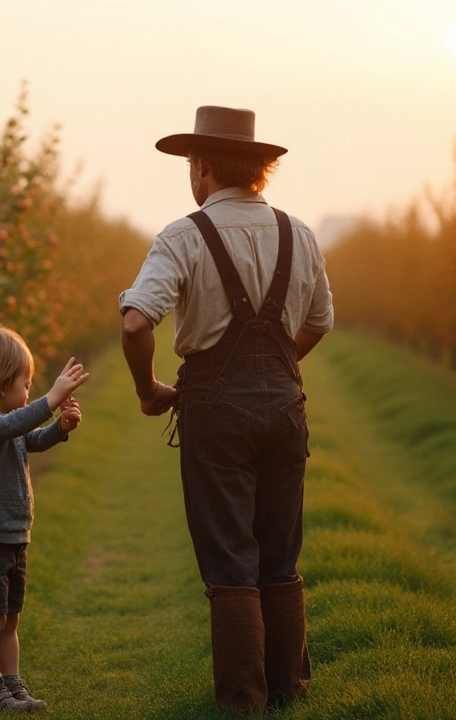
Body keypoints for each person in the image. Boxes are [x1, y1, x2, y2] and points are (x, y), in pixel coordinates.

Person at [118, 106, 334, 713]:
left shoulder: (183, 236)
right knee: (279, 550)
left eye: (192, 164)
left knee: (230, 556)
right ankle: (291, 690)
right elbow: (321, 322)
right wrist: (274, 373)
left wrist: (147, 389)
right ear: (260, 171)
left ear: (204, 166)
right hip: (285, 405)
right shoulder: (301, 234)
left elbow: (137, 322)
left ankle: (243, 700)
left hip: (214, 408)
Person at [0, 325, 89, 711]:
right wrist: (51, 399)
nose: (29, 390)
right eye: (25, 383)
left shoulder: (4, 426)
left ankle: (9, 685)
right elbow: (16, 426)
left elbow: (31, 439)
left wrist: (59, 428)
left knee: (7, 620)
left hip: (11, 536)